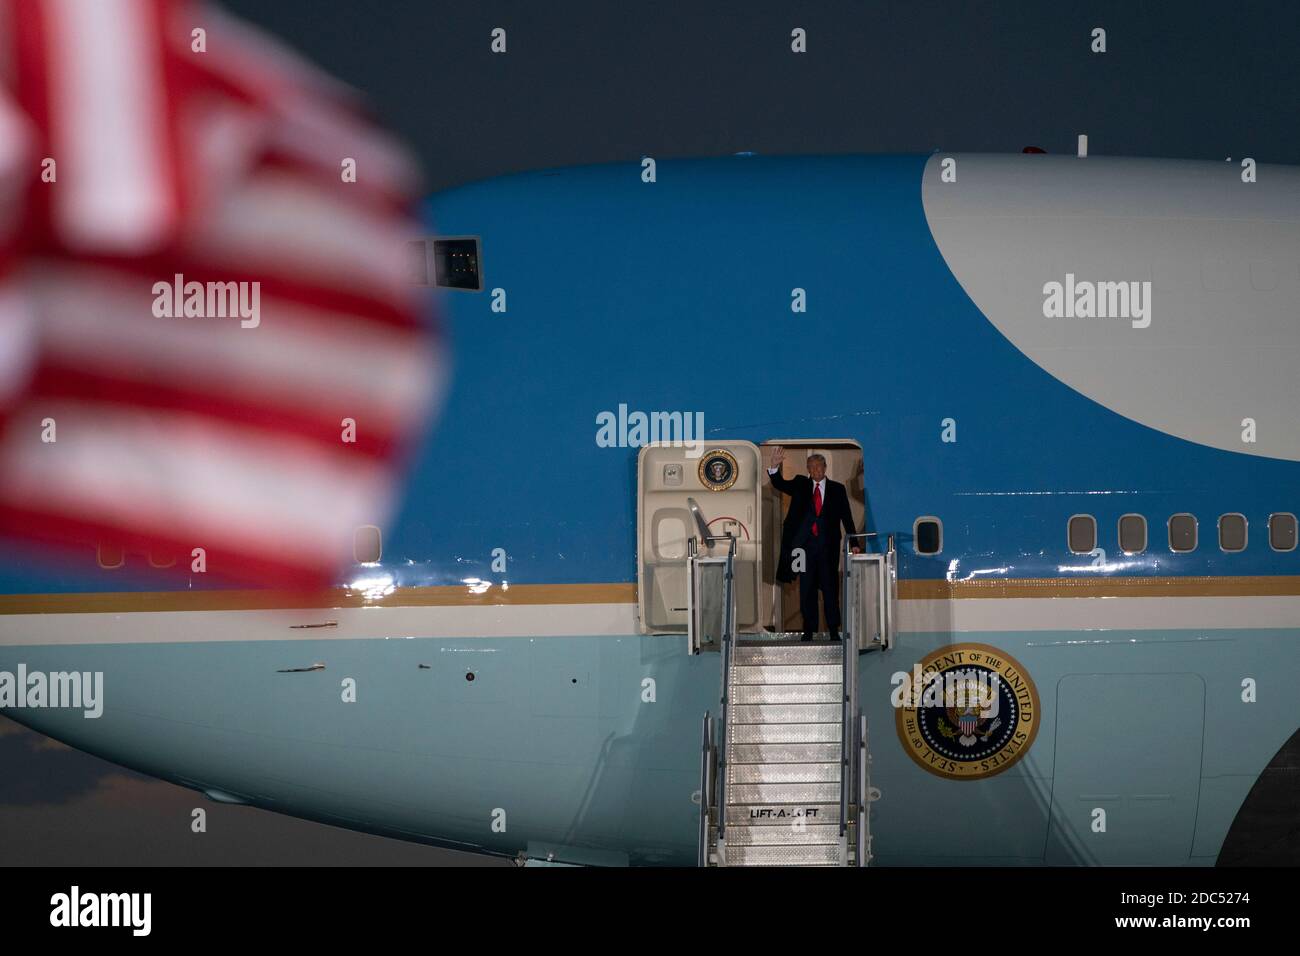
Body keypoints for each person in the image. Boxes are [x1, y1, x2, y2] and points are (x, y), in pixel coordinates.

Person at [768, 447, 858, 641]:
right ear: (808, 469)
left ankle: (834, 630)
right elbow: (780, 484)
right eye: (811, 466)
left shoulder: (837, 488)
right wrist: (774, 466)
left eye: (818, 466)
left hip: (828, 548)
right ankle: (808, 630)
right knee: (806, 589)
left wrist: (855, 542)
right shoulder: (801, 484)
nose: (815, 469)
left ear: (825, 467)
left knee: (830, 589)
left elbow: (847, 517)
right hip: (804, 549)